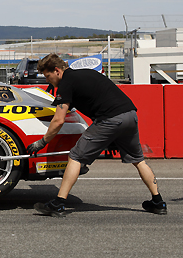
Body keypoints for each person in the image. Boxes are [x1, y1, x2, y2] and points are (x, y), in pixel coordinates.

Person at [27, 53, 167, 217]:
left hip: (110, 119)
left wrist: (42, 142)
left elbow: (58, 120)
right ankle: (158, 202)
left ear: (57, 71)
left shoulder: (66, 83)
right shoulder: (86, 73)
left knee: (76, 156)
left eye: (47, 76)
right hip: (130, 114)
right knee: (138, 160)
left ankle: (58, 203)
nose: (47, 80)